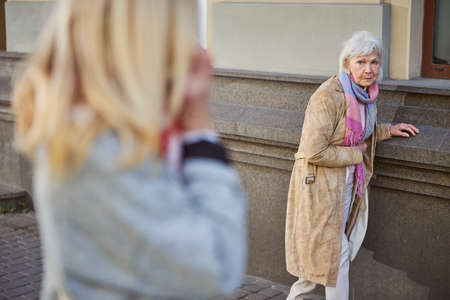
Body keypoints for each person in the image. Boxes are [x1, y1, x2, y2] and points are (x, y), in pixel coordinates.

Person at [12, 1, 247, 299]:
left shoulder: (99, 127)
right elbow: (218, 268)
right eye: (179, 26)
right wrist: (198, 127)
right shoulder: (98, 148)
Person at [285, 31, 419, 300]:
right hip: (320, 187)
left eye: (374, 62)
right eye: (361, 62)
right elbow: (314, 151)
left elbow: (359, 132)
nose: (368, 70)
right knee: (336, 253)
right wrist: (355, 155)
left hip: (346, 185)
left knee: (318, 259)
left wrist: (388, 130)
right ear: (347, 64)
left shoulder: (366, 96)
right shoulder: (328, 96)